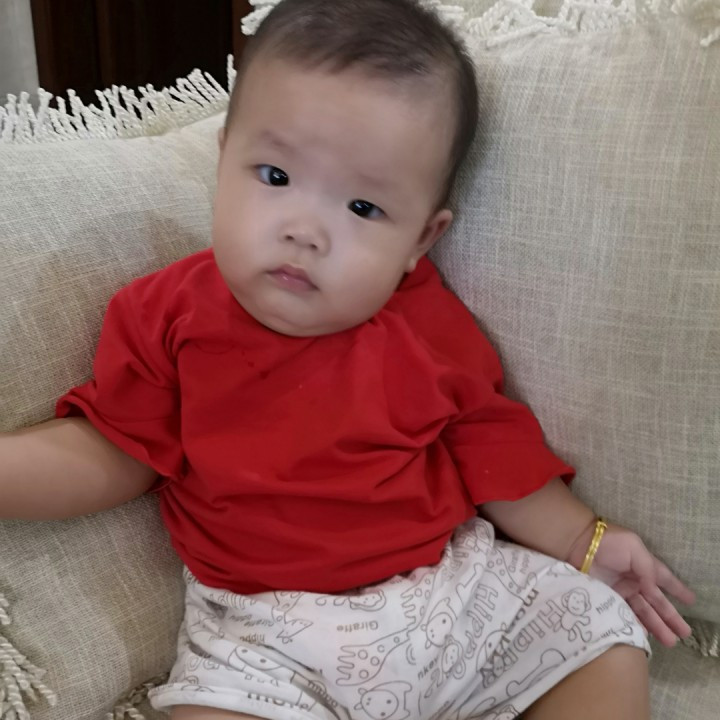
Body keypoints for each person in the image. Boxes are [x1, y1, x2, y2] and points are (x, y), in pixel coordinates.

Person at [0, 1, 696, 719]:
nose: (305, 230)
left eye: (363, 208)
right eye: (275, 175)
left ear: (421, 239)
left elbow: (492, 451)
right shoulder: (165, 313)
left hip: (449, 595)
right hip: (264, 634)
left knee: (599, 636)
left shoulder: (426, 322)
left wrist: (584, 539)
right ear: (224, 161)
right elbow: (117, 449)